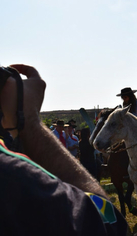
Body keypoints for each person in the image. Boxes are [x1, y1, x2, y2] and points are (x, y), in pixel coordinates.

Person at [0, 64, 127, 235]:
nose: (126, 97)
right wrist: (29, 121)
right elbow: (108, 223)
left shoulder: (134, 106)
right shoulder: (11, 172)